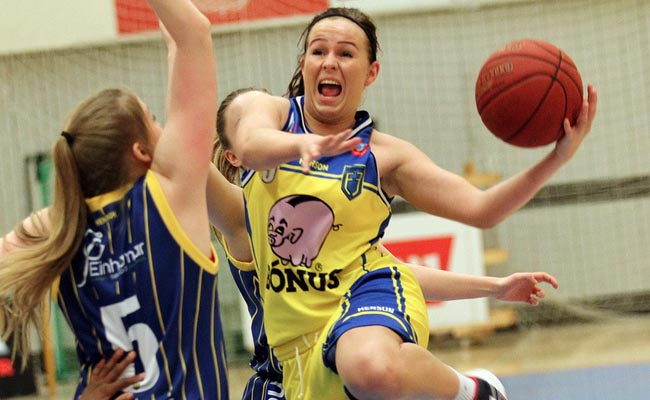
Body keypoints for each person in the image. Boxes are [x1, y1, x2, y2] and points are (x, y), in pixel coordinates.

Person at [222, 7, 598, 400]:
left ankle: (474, 392)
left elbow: (482, 209)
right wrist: (304, 144)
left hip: (370, 295)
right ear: (304, 64)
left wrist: (557, 158)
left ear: (371, 72)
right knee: (365, 373)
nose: (330, 61)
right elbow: (250, 145)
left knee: (366, 365)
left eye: (346, 53)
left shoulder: (385, 157)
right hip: (299, 350)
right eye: (319, 51)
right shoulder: (266, 112)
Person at [0, 0, 228, 398]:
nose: (163, 124)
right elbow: (194, 34)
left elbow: (187, 40)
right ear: (140, 151)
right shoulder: (169, 194)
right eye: (153, 118)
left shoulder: (57, 229)